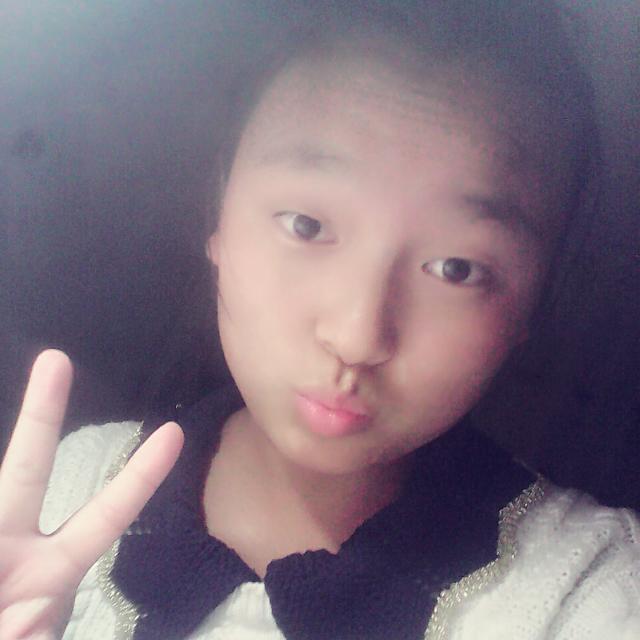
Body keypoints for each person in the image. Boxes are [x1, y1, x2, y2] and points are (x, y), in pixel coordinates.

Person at [1, 2, 638, 639]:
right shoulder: (63, 492)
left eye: (456, 269)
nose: (356, 337)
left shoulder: (589, 588)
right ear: (219, 216)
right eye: (306, 226)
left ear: (532, 306)